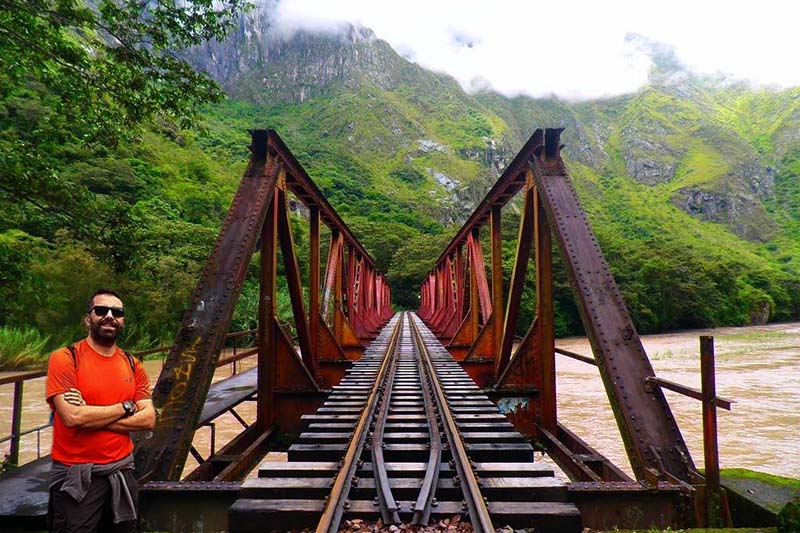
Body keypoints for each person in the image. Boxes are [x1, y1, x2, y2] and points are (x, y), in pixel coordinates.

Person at [45, 288, 155, 532]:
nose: (109, 316)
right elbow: (73, 417)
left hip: (122, 472)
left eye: (117, 312)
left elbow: (148, 419)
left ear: (122, 320)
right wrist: (126, 407)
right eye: (101, 310)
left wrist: (91, 414)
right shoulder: (65, 358)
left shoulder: (132, 363)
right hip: (78, 477)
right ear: (88, 318)